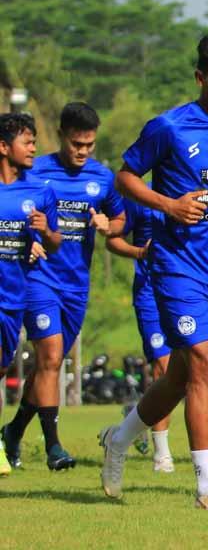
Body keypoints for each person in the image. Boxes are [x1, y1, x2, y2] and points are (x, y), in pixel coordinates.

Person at [99, 33, 208, 512]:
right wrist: (167, 204)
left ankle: (118, 439)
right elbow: (125, 177)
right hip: (175, 268)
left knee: (179, 376)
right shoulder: (169, 127)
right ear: (200, 78)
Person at [3, 103, 124, 472]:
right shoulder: (35, 172)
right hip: (39, 279)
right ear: (61, 137)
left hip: (76, 285)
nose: (83, 151)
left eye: (89, 144)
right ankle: (54, 446)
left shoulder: (102, 178)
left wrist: (108, 226)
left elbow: (120, 220)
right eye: (76, 144)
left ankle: (13, 431)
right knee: (51, 357)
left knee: (46, 368)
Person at [0, 113, 61, 478]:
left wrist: (44, 232)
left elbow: (53, 244)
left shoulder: (39, 191)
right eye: (27, 141)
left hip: (14, 295)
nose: (34, 147)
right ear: (4, 147)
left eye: (35, 140)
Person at [105, 200, 174, 472]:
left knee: (190, 372)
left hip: (186, 292)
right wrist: (138, 252)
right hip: (150, 296)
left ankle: (131, 421)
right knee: (163, 366)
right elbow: (113, 240)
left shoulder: (194, 188)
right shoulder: (140, 199)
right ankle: (162, 453)